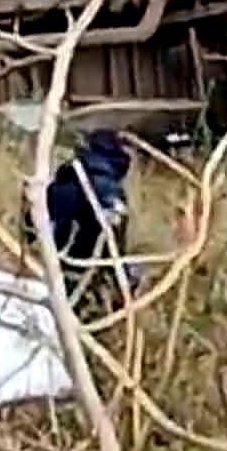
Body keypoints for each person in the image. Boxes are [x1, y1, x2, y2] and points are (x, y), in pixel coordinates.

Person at [22, 127, 140, 314]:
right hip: (99, 277)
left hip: (68, 273)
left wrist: (25, 239)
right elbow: (116, 245)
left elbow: (34, 219)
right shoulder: (117, 192)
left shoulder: (74, 183)